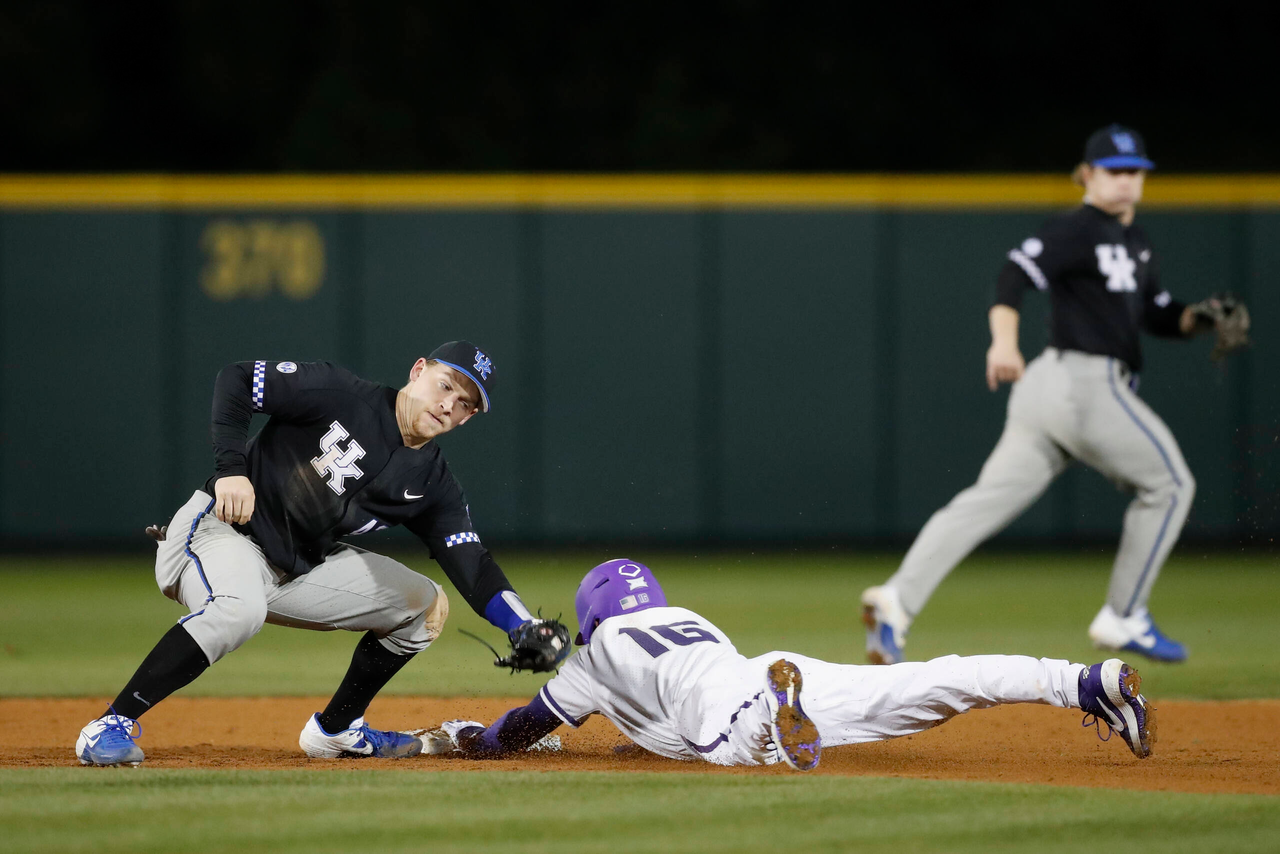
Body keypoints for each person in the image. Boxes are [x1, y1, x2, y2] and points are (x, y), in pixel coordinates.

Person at [75, 342, 569, 767]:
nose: (449, 405)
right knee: (238, 609)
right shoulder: (340, 393)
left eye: (466, 404)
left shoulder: (432, 483)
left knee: (424, 604)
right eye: (445, 385)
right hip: (219, 533)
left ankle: (337, 731)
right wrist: (231, 468)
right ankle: (109, 725)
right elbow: (238, 378)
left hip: (296, 567)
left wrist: (521, 625)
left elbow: (473, 564)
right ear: (418, 370)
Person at [861, 124, 1239, 667]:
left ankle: (894, 602)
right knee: (1172, 484)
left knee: (985, 501)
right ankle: (1124, 614)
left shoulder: (1137, 240)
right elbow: (1013, 275)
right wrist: (1003, 343)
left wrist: (1195, 318)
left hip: (1049, 396)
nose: (1126, 181)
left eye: (1135, 171)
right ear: (1086, 174)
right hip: (1081, 384)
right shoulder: (1077, 229)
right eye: (1114, 170)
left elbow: (1154, 313)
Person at [420, 559, 1156, 770]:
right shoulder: (685, 616)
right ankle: (1083, 682)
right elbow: (647, 715)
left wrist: (476, 739)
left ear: (591, 615)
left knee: (735, 750)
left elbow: (520, 729)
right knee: (937, 679)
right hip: (766, 666)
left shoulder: (595, 655)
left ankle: (772, 718)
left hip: (734, 704)